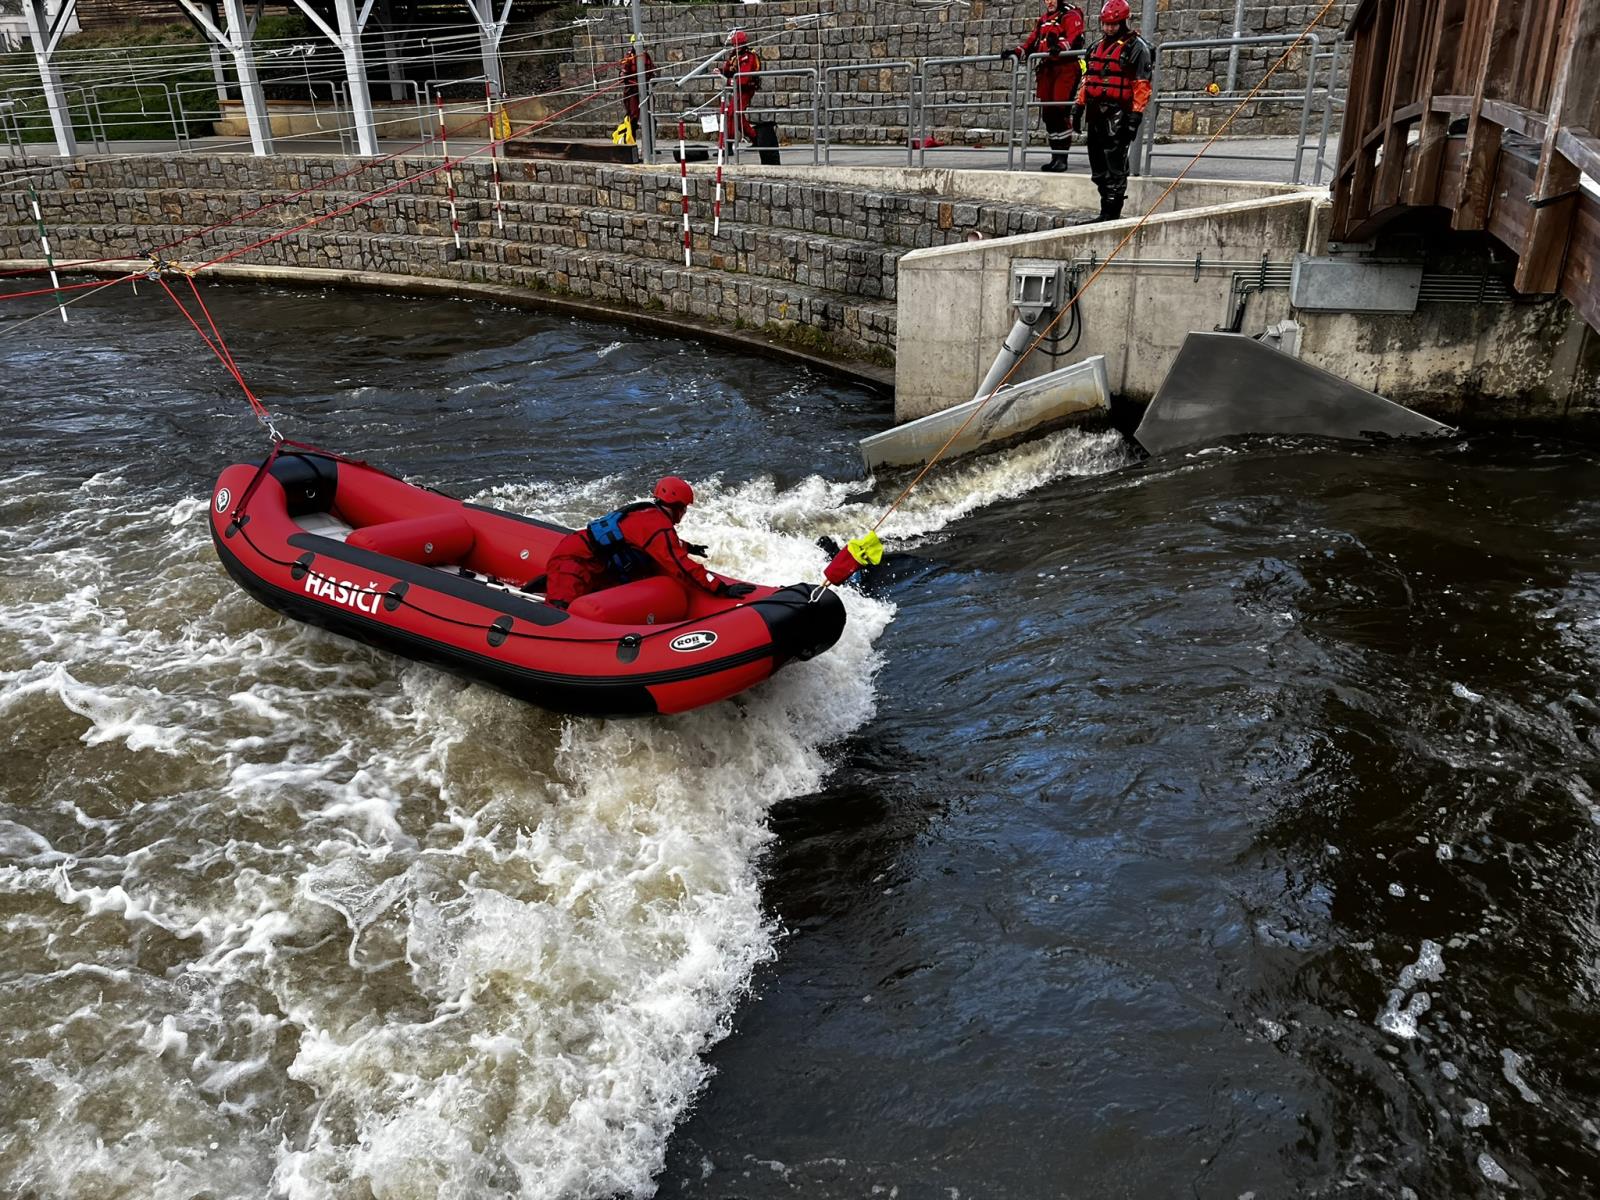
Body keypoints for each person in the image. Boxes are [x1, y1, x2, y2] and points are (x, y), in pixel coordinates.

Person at [543, 476, 755, 608]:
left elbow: (659, 544)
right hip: (575, 562)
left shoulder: (647, 513)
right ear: (679, 507)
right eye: (685, 509)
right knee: (559, 612)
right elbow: (681, 565)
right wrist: (720, 588)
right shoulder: (658, 525)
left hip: (593, 561)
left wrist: (690, 547)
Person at [1074, 0, 1153, 222]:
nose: (1109, 28)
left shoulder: (1136, 47)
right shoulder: (1095, 47)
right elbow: (1087, 79)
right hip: (1096, 112)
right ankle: (1104, 210)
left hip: (1119, 112)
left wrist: (1135, 116)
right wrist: (1078, 108)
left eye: (1114, 24)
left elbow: (1141, 84)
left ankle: (1111, 213)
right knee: (1098, 168)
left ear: (1123, 22)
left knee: (1115, 166)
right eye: (1106, 24)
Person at [1001, 0, 1087, 173]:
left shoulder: (1071, 14)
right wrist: (1016, 52)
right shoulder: (1044, 19)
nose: (1048, 1)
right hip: (1047, 70)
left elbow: (1075, 38)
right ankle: (1055, 156)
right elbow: (1032, 42)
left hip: (1065, 69)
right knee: (1048, 115)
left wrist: (1059, 47)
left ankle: (1062, 157)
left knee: (1059, 110)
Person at [718, 29, 762, 144]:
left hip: (746, 89)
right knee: (735, 114)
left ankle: (729, 143)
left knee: (734, 113)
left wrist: (728, 82)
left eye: (736, 45)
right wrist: (720, 71)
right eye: (734, 45)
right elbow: (728, 69)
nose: (735, 47)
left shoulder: (749, 57)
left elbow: (743, 79)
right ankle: (754, 137)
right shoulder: (734, 56)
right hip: (738, 89)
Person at [617, 35, 657, 138]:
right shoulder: (629, 58)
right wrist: (625, 77)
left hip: (646, 91)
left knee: (650, 118)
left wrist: (652, 79)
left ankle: (651, 145)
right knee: (633, 118)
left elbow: (652, 71)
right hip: (632, 92)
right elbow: (623, 73)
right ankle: (631, 143)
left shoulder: (646, 56)